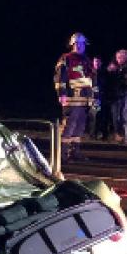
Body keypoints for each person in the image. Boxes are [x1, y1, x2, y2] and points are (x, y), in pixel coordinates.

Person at [53, 32, 98, 161]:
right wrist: (61, 94)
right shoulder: (66, 58)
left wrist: (95, 96)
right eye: (76, 43)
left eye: (81, 44)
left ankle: (74, 152)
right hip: (71, 97)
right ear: (72, 45)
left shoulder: (86, 59)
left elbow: (92, 79)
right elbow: (60, 77)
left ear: (85, 45)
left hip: (85, 98)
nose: (79, 46)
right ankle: (61, 153)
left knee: (80, 126)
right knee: (69, 125)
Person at [106, 49, 127, 144]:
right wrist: (111, 71)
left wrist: (117, 71)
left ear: (126, 57)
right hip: (121, 94)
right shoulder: (118, 66)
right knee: (118, 115)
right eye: (117, 57)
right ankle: (121, 135)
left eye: (121, 57)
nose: (118, 59)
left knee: (126, 113)